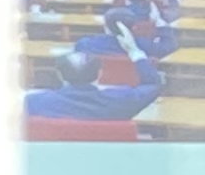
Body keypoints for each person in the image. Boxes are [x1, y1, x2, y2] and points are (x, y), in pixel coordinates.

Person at [26, 41, 161, 124]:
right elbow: (153, 86)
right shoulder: (123, 99)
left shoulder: (34, 101)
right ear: (100, 73)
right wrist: (135, 52)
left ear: (60, 75)